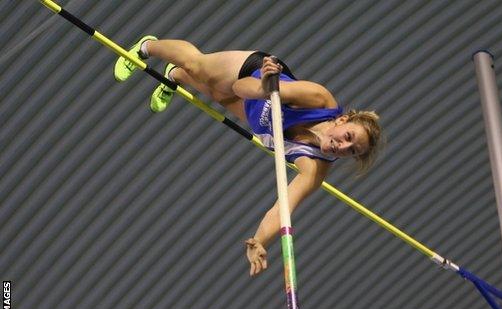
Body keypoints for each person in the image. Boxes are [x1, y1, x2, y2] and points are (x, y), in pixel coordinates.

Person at [114, 36, 383, 276]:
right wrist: (264, 87)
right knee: (198, 66)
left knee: (212, 92)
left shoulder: (315, 167)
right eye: (349, 137)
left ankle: (173, 76)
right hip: (252, 78)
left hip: (260, 119)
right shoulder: (318, 99)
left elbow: (283, 210)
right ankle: (146, 47)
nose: (344, 147)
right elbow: (241, 87)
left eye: (353, 151)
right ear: (343, 120)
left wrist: (260, 241)